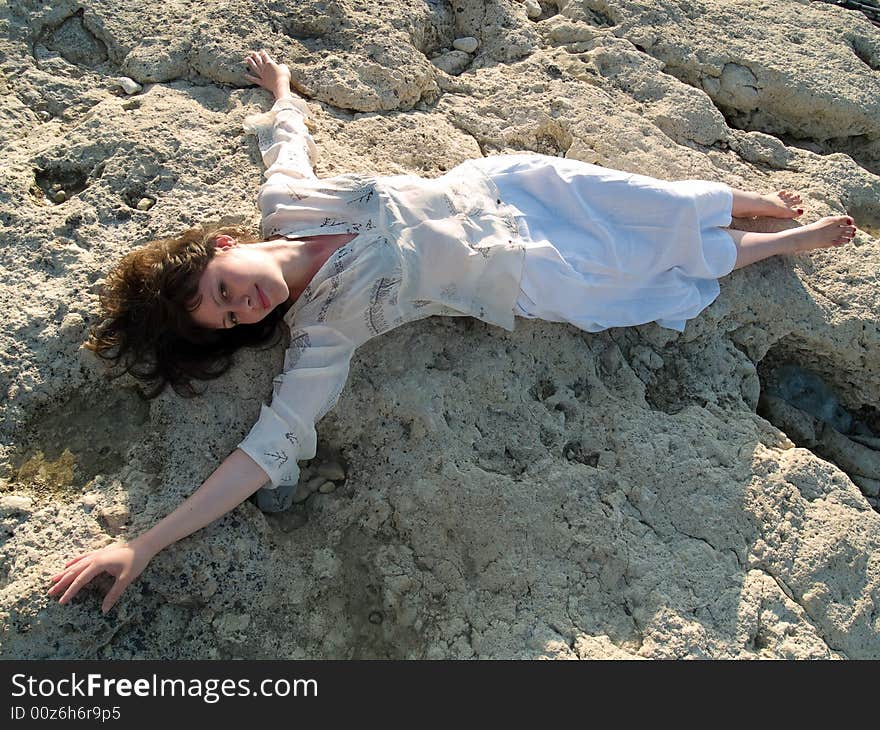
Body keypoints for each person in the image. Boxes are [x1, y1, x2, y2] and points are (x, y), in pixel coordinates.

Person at [48, 49, 858, 615]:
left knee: (642, 202)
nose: (241, 306)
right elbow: (268, 445)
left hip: (507, 187)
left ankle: (736, 203)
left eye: (223, 289)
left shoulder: (285, 206)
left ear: (225, 248)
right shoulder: (322, 331)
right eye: (225, 318)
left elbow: (287, 145)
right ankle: (774, 244)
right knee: (633, 287)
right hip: (520, 274)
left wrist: (282, 91)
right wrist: (147, 544)